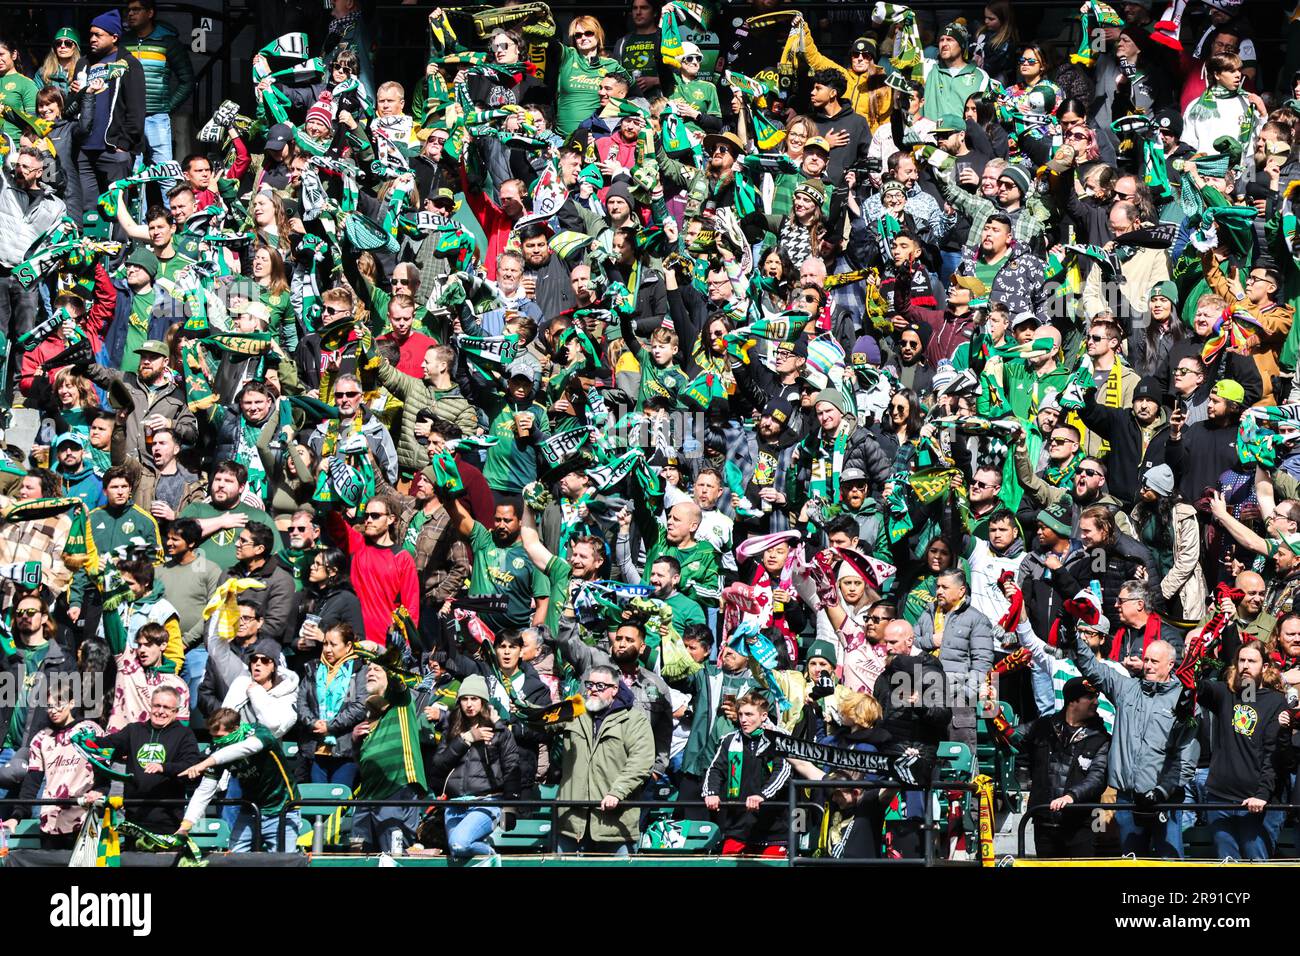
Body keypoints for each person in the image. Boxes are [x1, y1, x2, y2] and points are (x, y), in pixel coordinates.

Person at [1066, 634, 1197, 859]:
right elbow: (1093, 668)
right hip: (1127, 797)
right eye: (1146, 660)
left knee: (1169, 862)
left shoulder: (1184, 700)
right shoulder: (1127, 688)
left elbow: (1186, 758)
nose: (1147, 666)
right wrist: (1073, 636)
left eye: (1154, 662)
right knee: (1132, 861)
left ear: (1170, 664)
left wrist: (1160, 792)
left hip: (1164, 799)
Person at [553, 665, 655, 855]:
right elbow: (542, 723)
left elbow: (641, 762)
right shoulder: (574, 711)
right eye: (590, 684)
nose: (592, 690)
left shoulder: (634, 720)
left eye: (600, 686)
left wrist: (617, 792)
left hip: (614, 825)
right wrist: (523, 710)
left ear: (614, 689)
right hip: (572, 822)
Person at [1198, 641, 1285, 860]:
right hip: (1219, 798)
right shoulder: (1226, 693)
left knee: (1257, 862)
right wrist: (1196, 660)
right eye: (1241, 660)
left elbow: (1272, 753)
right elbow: (1197, 687)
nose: (1245, 665)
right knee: (1227, 863)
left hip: (1254, 803)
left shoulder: (1276, 701)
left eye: (1252, 661)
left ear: (1264, 667)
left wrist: (1263, 794)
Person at [179, 707, 301, 852]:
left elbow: (245, 748)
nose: (217, 741)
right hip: (250, 811)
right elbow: (205, 790)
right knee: (234, 857)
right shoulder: (218, 750)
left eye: (221, 736)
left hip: (282, 810)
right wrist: (186, 826)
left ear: (236, 728)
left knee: (283, 861)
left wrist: (206, 762)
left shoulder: (259, 733)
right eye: (214, 737)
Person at [430, 674, 520, 864]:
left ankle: (491, 854)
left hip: (486, 802)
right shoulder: (452, 729)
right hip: (454, 805)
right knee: (458, 854)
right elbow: (438, 765)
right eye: (464, 699)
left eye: (474, 699)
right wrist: (467, 739)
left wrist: (510, 808)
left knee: (459, 845)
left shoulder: (499, 730)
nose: (469, 704)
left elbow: (512, 767)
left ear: (483, 701)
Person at [1018, 677, 1110, 858]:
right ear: (1073, 701)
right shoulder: (1042, 726)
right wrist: (992, 711)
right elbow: (1009, 738)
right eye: (1090, 698)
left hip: (1082, 824)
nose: (1096, 702)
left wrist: (1071, 796)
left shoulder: (1101, 738)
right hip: (1044, 820)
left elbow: (1098, 778)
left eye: (1096, 696)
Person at [295, 622, 367, 785]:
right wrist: (313, 723)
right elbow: (302, 701)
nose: (327, 649)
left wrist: (330, 726)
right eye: (325, 644)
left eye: (333, 644)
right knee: (317, 803)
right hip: (316, 748)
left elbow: (360, 706)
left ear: (348, 646)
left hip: (345, 750)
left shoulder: (359, 671)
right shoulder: (313, 668)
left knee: (337, 804)